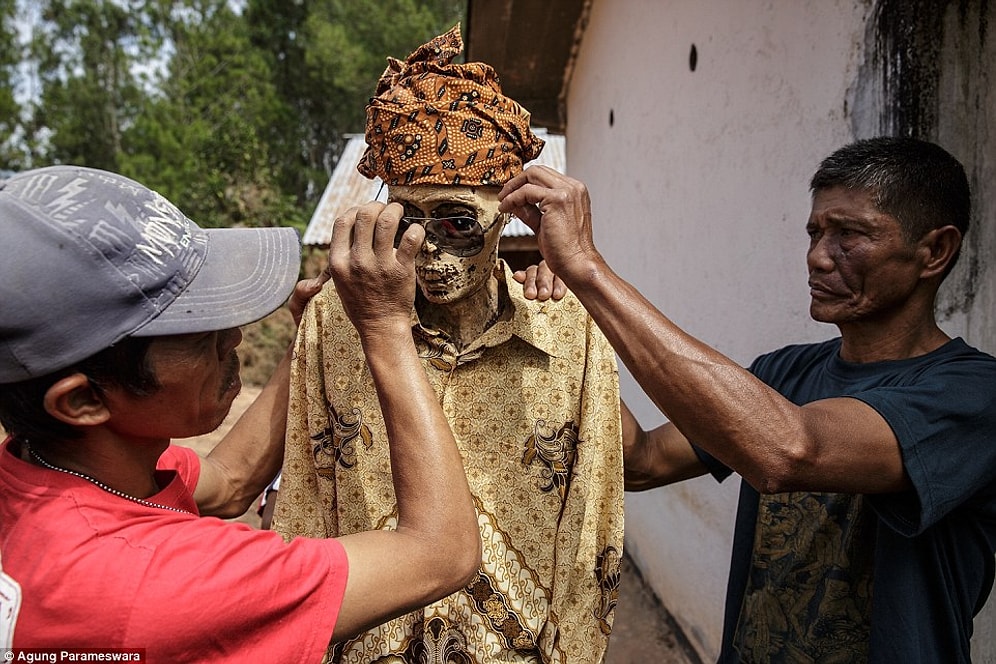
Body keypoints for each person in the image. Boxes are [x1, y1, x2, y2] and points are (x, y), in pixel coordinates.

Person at [500, 137, 996, 662]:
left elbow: (788, 450)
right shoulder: (784, 373)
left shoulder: (973, 395)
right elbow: (639, 460)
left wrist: (588, 271)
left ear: (935, 252)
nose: (818, 258)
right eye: (815, 232)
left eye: (850, 235)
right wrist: (569, 324)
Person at [0, 165, 481, 662]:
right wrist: (384, 325)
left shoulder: (41, 473)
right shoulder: (165, 579)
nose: (234, 339)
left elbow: (229, 481)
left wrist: (304, 343)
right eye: (194, 335)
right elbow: (441, 553)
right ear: (82, 402)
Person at [272, 25, 625, 664]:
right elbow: (304, 492)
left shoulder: (568, 328)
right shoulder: (336, 319)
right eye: (409, 219)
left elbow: (592, 520)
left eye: (459, 221)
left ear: (508, 215)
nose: (426, 247)